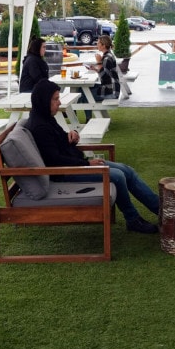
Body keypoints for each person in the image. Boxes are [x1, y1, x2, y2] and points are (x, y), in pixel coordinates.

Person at [26, 79, 160, 234]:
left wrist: (72, 135)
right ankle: (133, 219)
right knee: (117, 175)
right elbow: (54, 159)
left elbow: (58, 142)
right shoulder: (40, 126)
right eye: (55, 99)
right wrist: (88, 164)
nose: (59, 102)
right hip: (64, 173)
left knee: (127, 170)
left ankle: (161, 210)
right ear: (43, 100)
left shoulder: (45, 117)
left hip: (74, 165)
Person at [85, 34, 119, 122]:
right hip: (112, 88)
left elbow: (104, 77)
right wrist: (95, 69)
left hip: (111, 91)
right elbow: (107, 74)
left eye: (98, 43)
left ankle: (87, 119)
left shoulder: (106, 58)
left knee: (84, 94)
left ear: (103, 45)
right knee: (83, 90)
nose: (97, 44)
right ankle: (83, 116)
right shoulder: (109, 55)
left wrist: (99, 62)